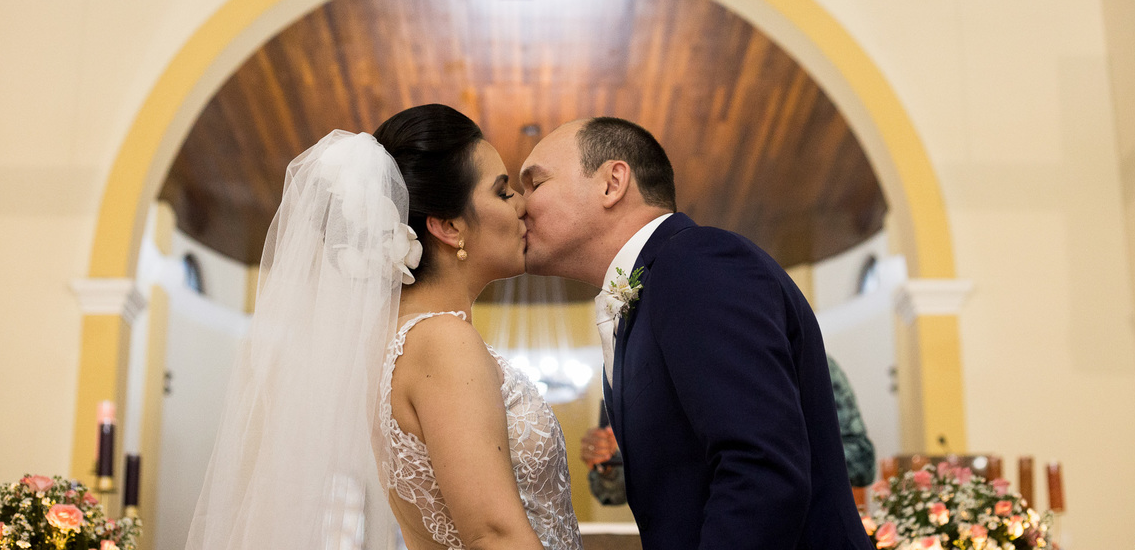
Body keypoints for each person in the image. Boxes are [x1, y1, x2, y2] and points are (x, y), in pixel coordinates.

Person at [187, 105, 581, 550]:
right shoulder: (443, 341)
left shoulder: (398, 342)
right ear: (449, 227)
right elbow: (494, 535)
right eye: (503, 192)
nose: (522, 205)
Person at [520, 117, 873, 550]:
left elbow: (762, 471)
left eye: (534, 184)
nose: (519, 206)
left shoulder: (698, 263)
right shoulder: (649, 293)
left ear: (612, 183)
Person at [580, 356, 878, 506]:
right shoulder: (656, 375)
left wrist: (762, 454)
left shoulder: (803, 361)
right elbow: (617, 491)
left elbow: (862, 462)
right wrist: (609, 463)